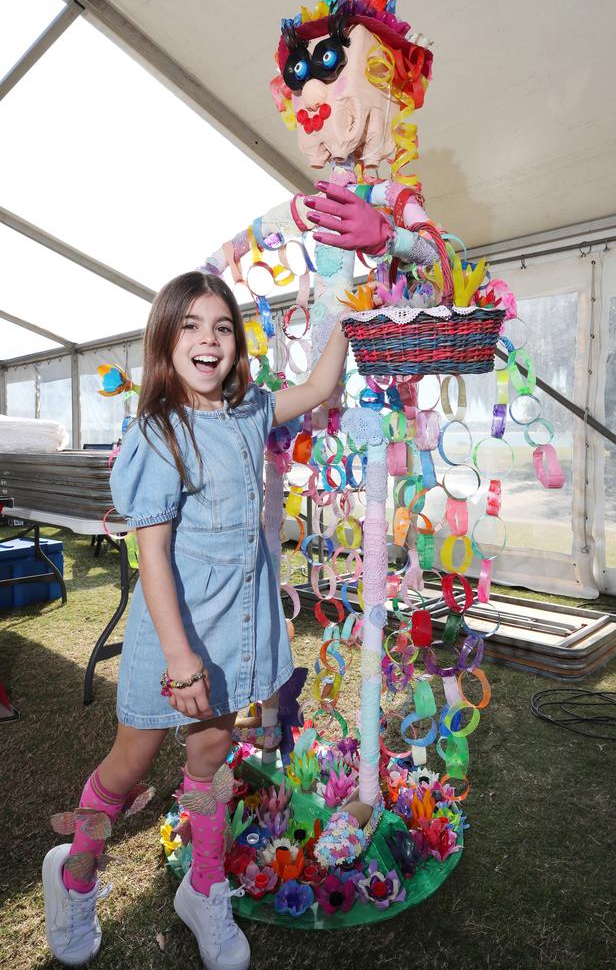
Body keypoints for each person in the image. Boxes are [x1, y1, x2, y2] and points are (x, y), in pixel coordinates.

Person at [42, 269, 349, 970]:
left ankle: (204, 889)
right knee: (131, 766)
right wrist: (180, 660)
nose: (208, 341)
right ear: (165, 340)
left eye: (222, 327)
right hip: (175, 639)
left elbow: (319, 389)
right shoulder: (158, 435)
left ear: (237, 345)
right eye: (191, 327)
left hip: (236, 638)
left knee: (212, 758)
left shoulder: (247, 414)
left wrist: (349, 322)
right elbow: (151, 558)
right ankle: (77, 870)